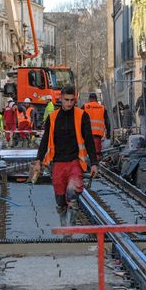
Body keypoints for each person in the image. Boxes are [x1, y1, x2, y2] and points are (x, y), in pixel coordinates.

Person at [33, 86, 99, 226]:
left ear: (75, 99)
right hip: (57, 163)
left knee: (72, 192)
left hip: (75, 162)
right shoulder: (52, 118)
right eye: (66, 100)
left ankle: (72, 225)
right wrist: (38, 160)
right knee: (60, 198)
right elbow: (45, 140)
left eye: (72, 100)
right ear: (60, 99)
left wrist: (94, 163)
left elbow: (88, 140)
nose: (69, 103)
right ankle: (64, 223)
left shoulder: (82, 116)